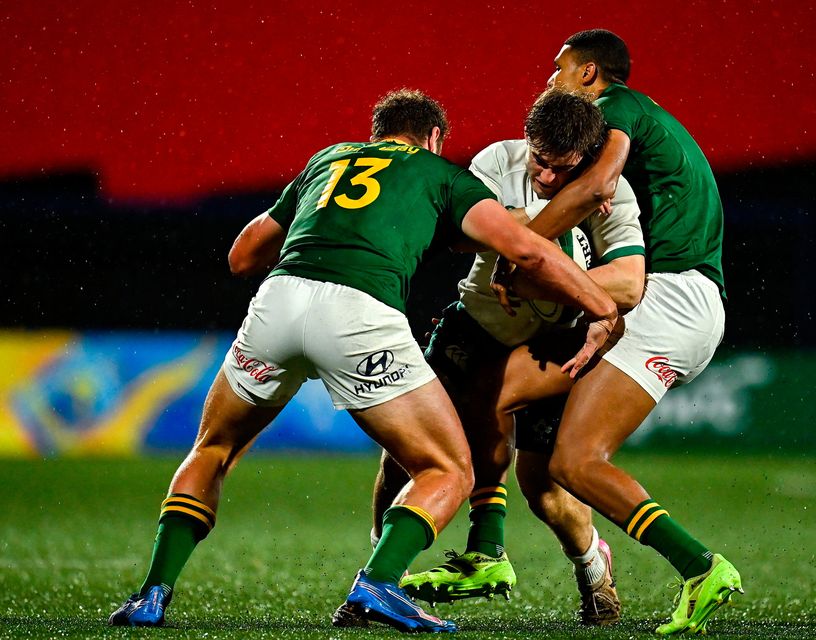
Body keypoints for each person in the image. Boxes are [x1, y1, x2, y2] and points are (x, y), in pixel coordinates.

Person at [106, 89, 619, 633]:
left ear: (376, 133)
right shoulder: (442, 175)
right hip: (358, 312)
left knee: (213, 448)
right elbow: (529, 251)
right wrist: (602, 306)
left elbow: (241, 256)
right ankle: (377, 584)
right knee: (448, 468)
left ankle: (151, 596)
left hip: (279, 299)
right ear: (434, 138)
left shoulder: (328, 159)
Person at [484, 29, 744, 636]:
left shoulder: (618, 107)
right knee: (519, 433)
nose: (550, 79)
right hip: (682, 301)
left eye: (559, 69)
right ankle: (495, 549)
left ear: (591, 74)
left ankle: (701, 567)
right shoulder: (631, 127)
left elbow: (598, 186)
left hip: (669, 299)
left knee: (576, 461)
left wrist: (523, 252)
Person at [364, 88, 646, 627]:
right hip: (476, 323)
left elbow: (630, 285)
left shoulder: (618, 195)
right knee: (402, 448)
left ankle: (592, 568)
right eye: (538, 160)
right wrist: (546, 218)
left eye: (560, 170)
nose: (543, 175)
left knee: (543, 488)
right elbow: (460, 236)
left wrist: (546, 275)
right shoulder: (497, 160)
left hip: (556, 343)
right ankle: (381, 571)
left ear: (588, 159)